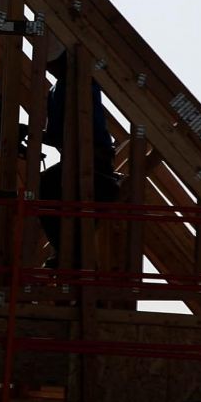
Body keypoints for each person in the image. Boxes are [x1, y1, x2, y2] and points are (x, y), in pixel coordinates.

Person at [39, 43, 120, 268]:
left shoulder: (83, 84)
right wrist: (32, 133)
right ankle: (67, 250)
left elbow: (87, 130)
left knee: (48, 186)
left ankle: (69, 252)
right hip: (77, 160)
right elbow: (57, 135)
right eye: (50, 65)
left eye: (55, 63)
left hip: (94, 160)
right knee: (48, 187)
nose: (52, 69)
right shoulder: (57, 91)